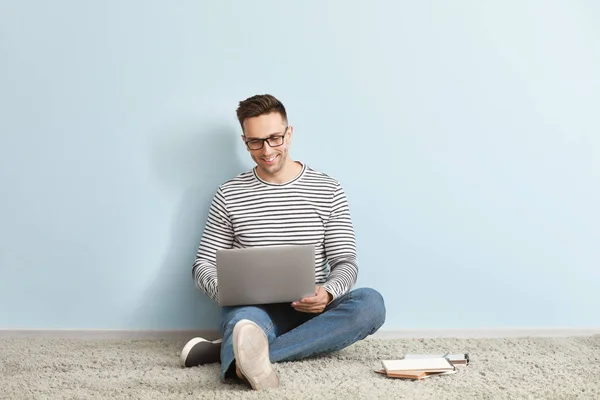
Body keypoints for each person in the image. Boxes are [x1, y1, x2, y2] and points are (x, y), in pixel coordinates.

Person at [180, 94, 386, 390]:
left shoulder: (327, 189)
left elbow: (345, 262)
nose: (266, 150)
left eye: (274, 138)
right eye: (256, 142)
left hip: (315, 312)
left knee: (371, 304)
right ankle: (242, 346)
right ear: (245, 141)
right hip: (253, 311)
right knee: (244, 322)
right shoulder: (229, 194)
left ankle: (234, 354)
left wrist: (327, 294)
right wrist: (226, 292)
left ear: (289, 133)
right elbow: (202, 264)